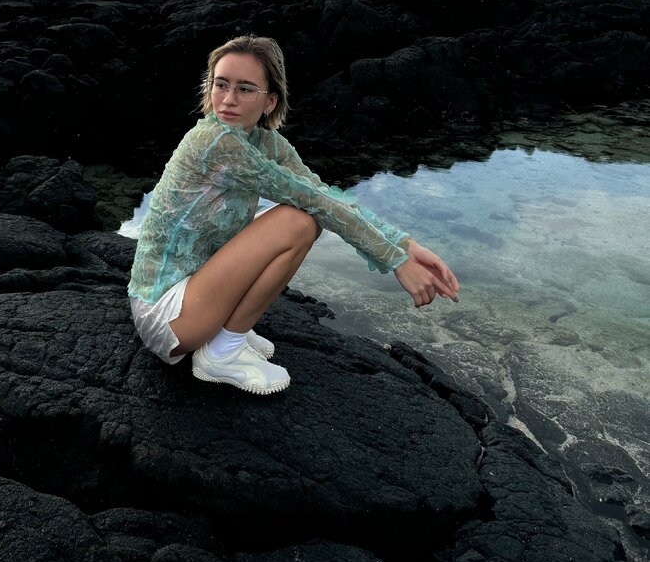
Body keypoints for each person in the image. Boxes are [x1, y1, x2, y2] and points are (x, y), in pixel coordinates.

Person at [128, 35, 458, 395]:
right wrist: (395, 262)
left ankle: (223, 336)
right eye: (220, 84)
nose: (228, 99)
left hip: (196, 290)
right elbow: (313, 203)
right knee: (298, 221)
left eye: (245, 89)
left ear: (270, 101)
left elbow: (323, 195)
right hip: (166, 315)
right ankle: (221, 353)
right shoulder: (214, 142)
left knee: (306, 215)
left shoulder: (266, 143)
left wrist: (404, 245)